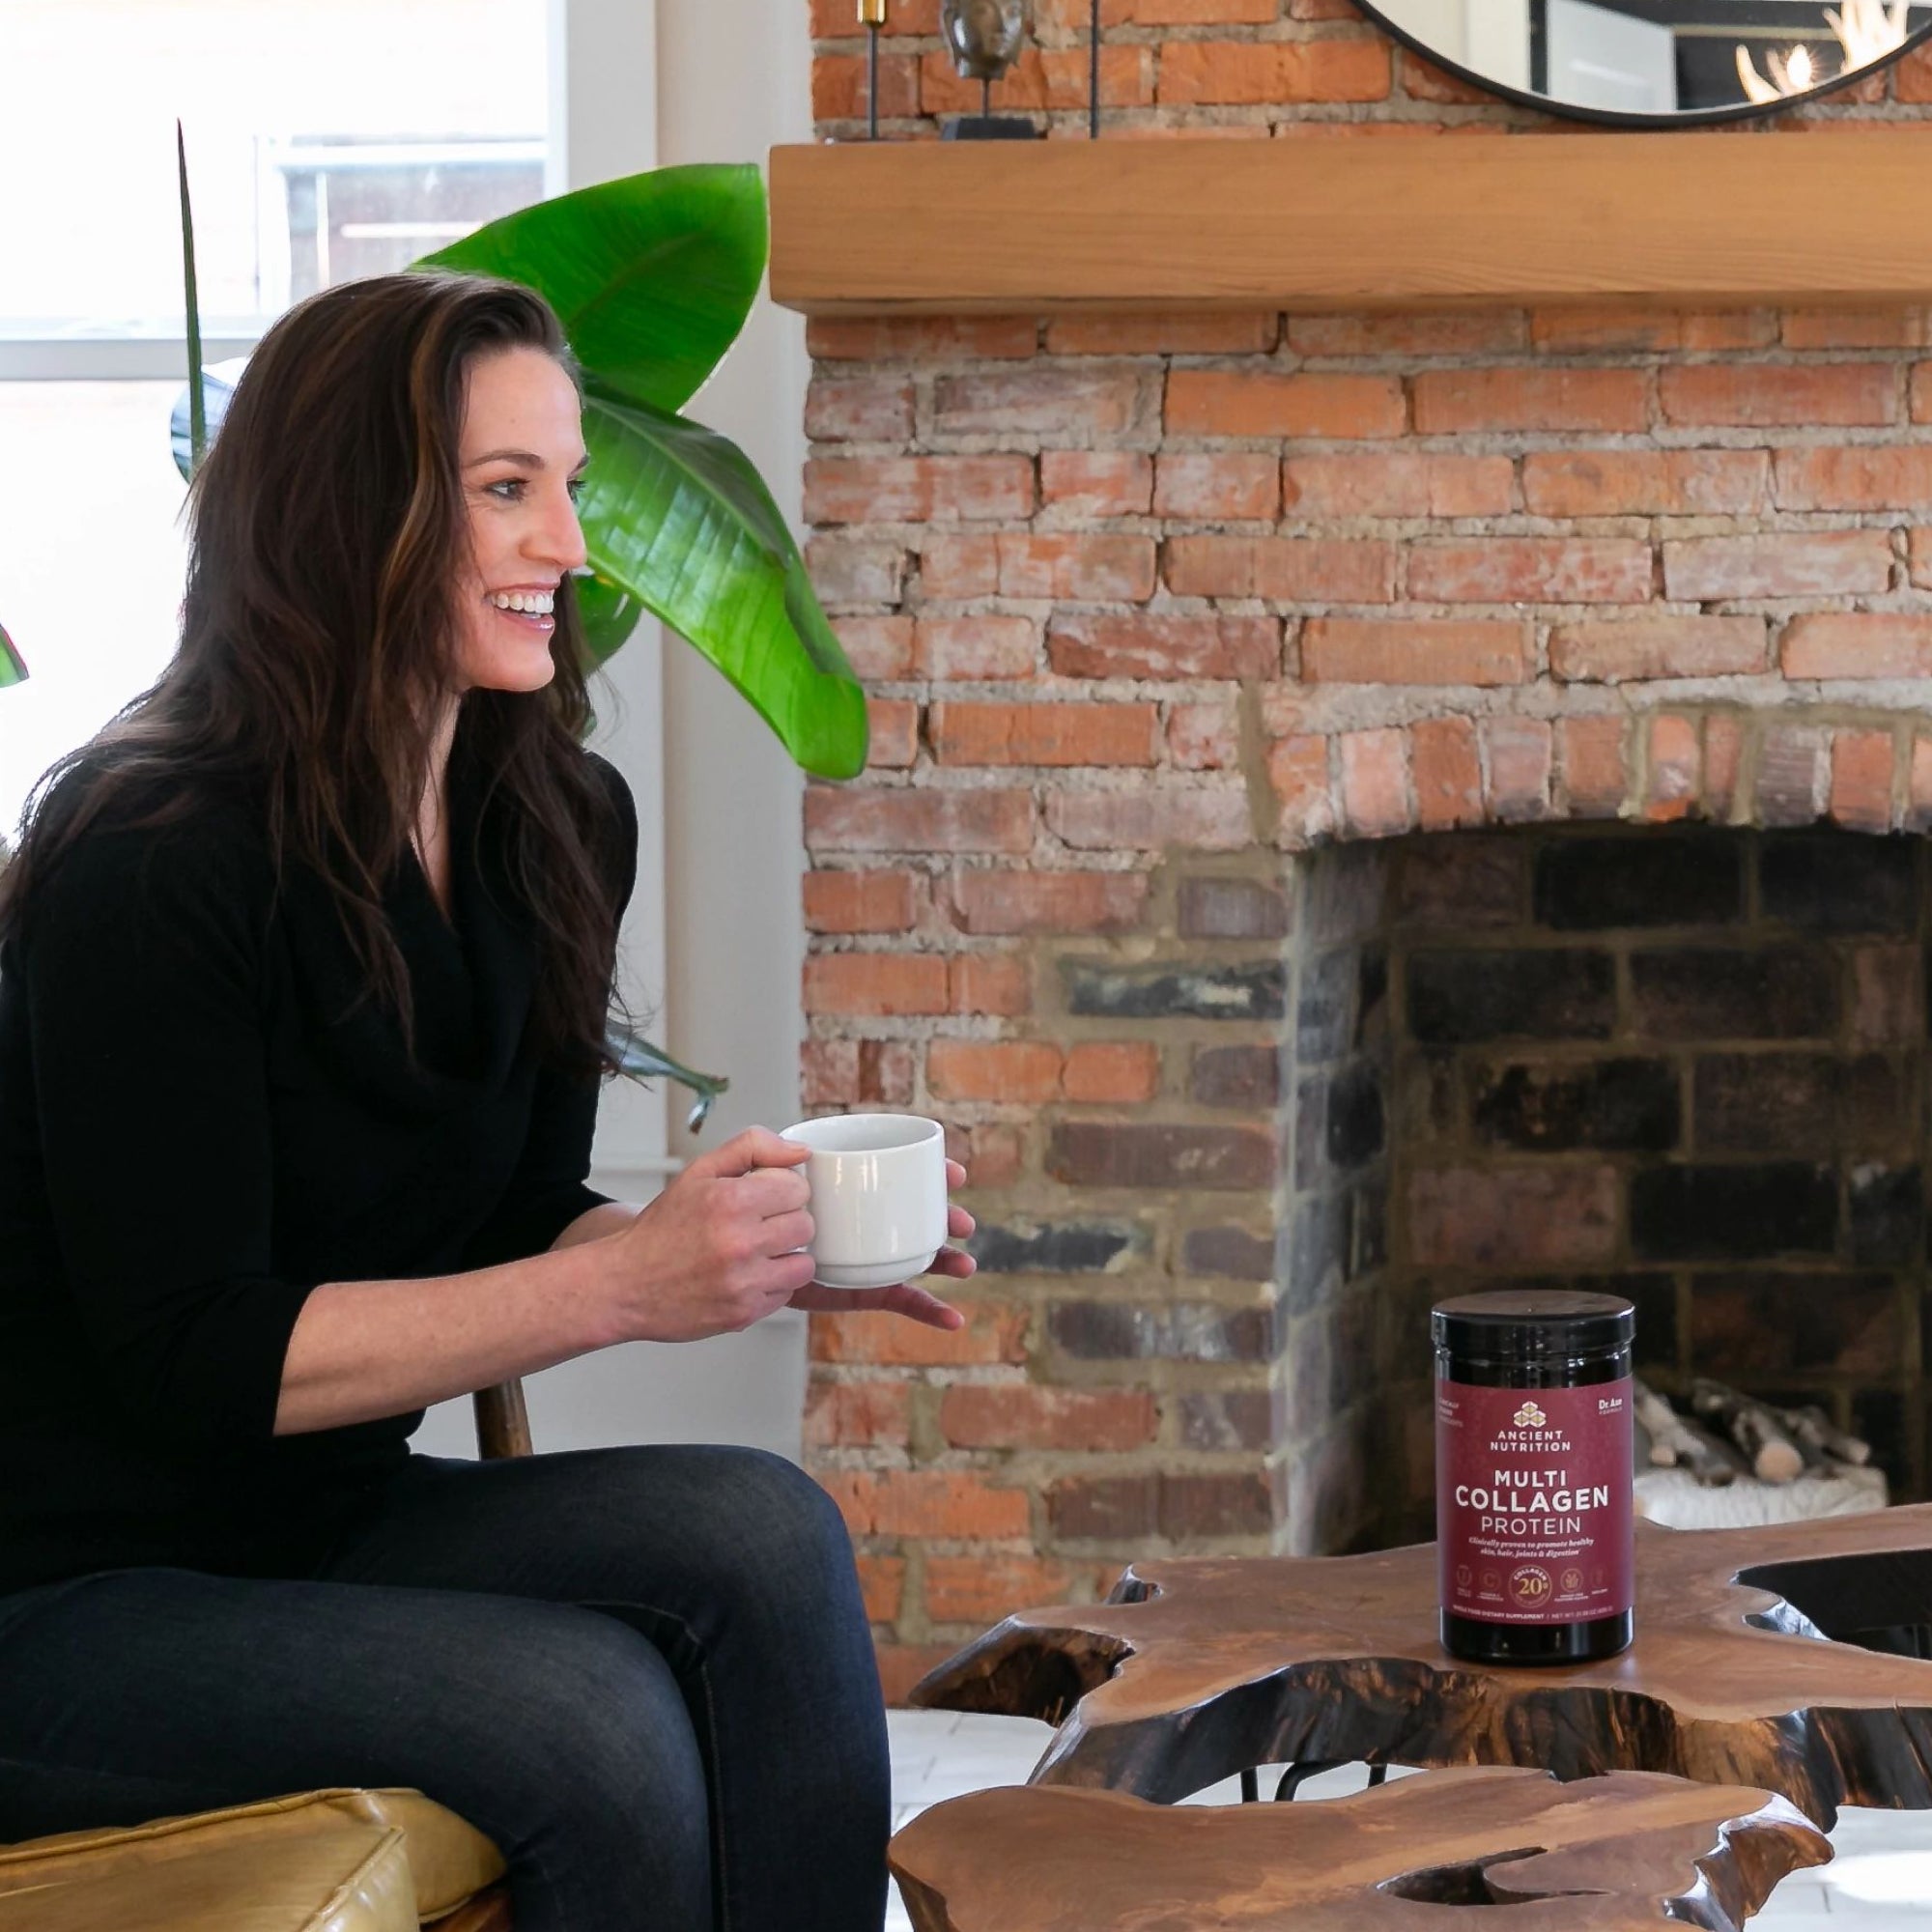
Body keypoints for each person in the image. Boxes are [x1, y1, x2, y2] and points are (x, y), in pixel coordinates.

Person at [0, 270, 976, 1932]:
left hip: (325, 1519)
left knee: (768, 1539)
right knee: (585, 1727)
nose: (574, 550)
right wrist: (611, 1289)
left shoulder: (553, 817)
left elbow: (512, 1206)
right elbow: (189, 1351)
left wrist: (743, 1250)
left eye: (568, 489)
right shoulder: (147, 860)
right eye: (507, 493)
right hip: (68, 1583)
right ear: (348, 514)